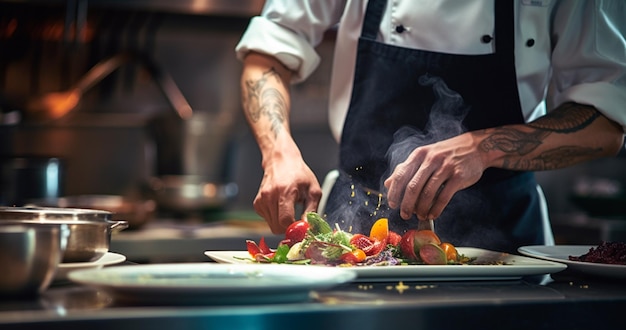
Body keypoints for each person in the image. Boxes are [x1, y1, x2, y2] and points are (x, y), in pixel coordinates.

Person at [235, 0, 626, 253]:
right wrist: (278, 153)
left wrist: (482, 147)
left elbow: (605, 124)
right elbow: (270, 49)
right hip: (352, 233)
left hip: (506, 239)